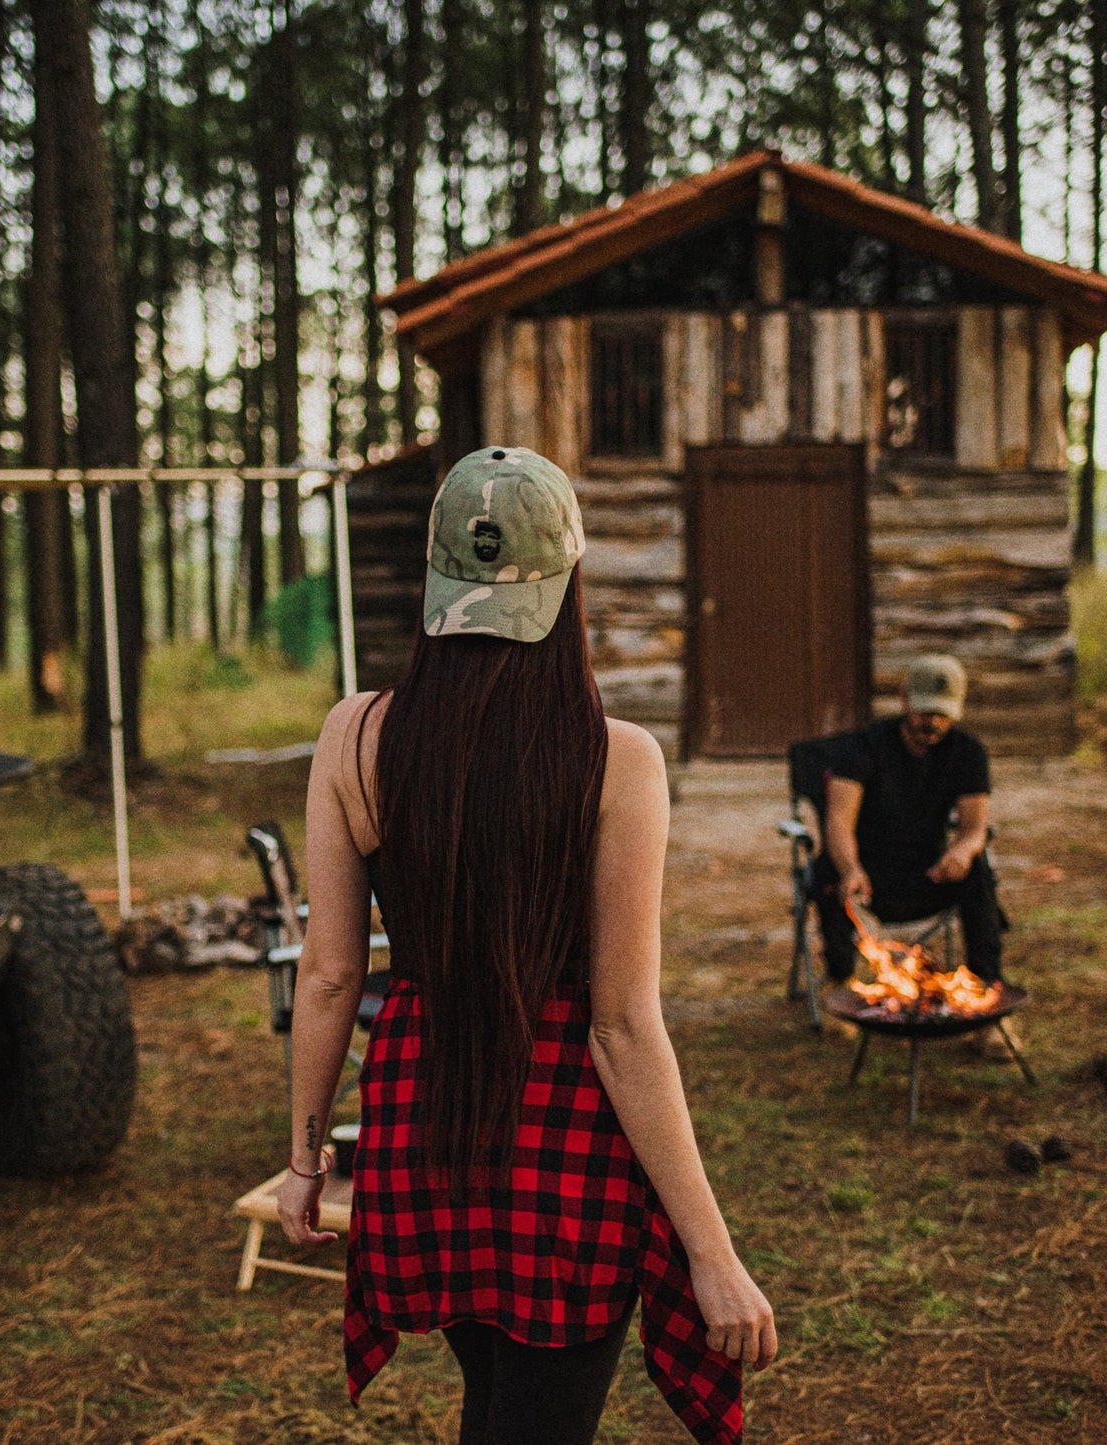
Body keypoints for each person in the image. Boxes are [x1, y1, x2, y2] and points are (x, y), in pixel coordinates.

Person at [278, 446, 775, 1445]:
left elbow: (331, 973)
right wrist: (710, 1251)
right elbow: (621, 1024)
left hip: (420, 1122)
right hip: (560, 1142)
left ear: (436, 579)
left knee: (499, 1399)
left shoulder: (352, 734)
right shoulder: (615, 759)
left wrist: (302, 1158)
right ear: (567, 580)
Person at [813, 654, 1005, 986]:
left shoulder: (969, 752)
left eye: (942, 714)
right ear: (904, 699)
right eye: (924, 712)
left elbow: (975, 828)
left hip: (928, 871)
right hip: (867, 875)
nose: (932, 723)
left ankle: (986, 988)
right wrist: (851, 868)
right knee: (827, 872)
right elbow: (838, 823)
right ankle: (841, 983)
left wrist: (962, 851)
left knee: (978, 873)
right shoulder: (863, 749)